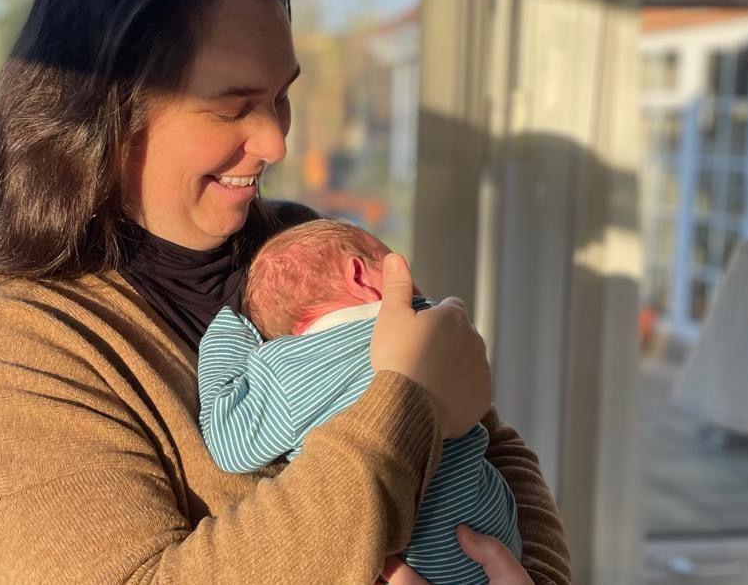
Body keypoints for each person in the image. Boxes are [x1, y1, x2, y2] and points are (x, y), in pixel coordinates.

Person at [0, 0, 571, 582]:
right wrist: (406, 408)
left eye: (281, 97)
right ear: (107, 104)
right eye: (234, 105)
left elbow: (492, 448)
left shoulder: (299, 243)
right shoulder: (3, 337)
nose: (277, 141)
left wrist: (530, 575)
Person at [199, 219, 521, 584]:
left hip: (407, 559)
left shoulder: (286, 368)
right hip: (496, 541)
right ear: (359, 274)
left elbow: (231, 446)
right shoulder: (430, 321)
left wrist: (227, 339)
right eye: (388, 260)